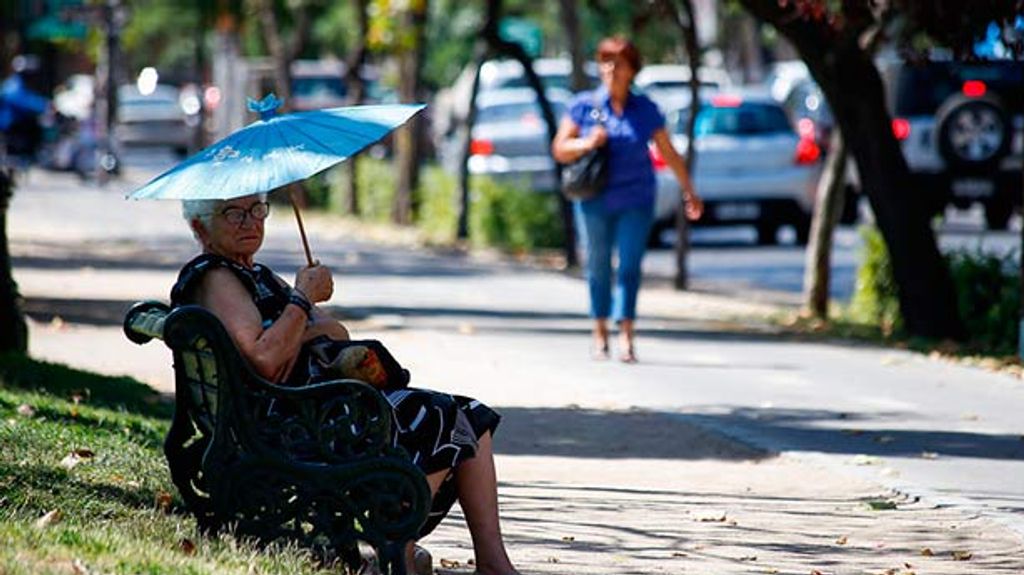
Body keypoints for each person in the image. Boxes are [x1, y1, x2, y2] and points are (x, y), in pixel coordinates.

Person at [173, 194, 519, 575]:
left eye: (257, 210)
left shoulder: (255, 274)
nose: (250, 222)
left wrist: (296, 327)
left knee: (470, 417)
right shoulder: (216, 276)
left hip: (317, 406)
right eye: (233, 213)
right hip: (289, 420)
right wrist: (301, 301)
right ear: (199, 227)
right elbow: (266, 359)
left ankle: (492, 561)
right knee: (438, 416)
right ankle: (396, 554)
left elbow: (336, 331)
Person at [552, 36, 703, 364]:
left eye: (617, 63)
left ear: (632, 70)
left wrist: (689, 190)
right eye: (605, 62)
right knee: (598, 265)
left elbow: (669, 152)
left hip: (636, 198)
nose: (610, 69)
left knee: (630, 267)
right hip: (594, 199)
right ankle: (599, 332)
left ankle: (627, 337)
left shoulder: (645, 109)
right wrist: (587, 143)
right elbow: (560, 148)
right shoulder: (584, 106)